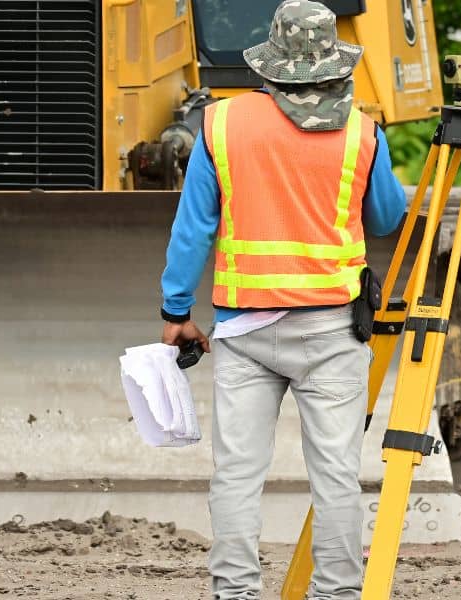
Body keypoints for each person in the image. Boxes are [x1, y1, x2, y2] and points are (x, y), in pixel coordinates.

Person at [158, 1, 407, 598]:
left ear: (270, 66)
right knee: (337, 479)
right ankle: (337, 594)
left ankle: (235, 592)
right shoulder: (362, 133)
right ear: (335, 66)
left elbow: (192, 230)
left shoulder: (218, 126)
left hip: (244, 334)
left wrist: (174, 312)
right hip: (332, 333)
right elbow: (387, 216)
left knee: (238, 476)